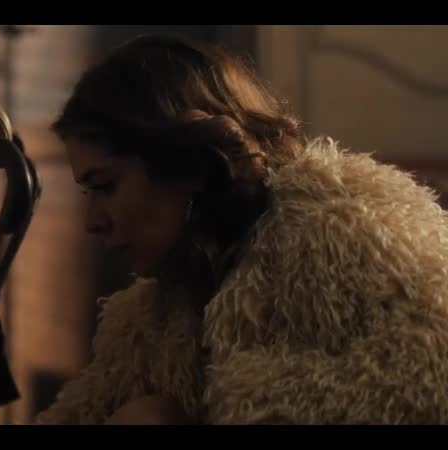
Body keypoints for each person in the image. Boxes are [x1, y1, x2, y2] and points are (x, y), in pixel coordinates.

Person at [33, 34, 448, 425]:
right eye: (88, 192)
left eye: (105, 186)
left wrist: (215, 413)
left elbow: (434, 369)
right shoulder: (153, 315)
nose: (93, 221)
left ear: (185, 164)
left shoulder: (342, 227)